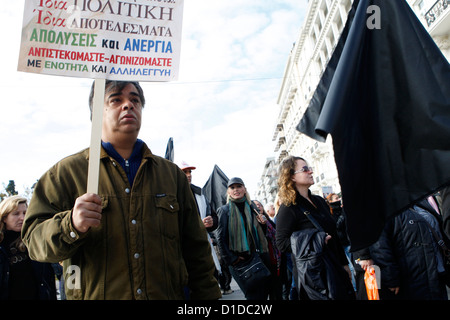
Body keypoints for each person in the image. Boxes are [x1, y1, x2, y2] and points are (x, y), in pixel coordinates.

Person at [21, 80, 221, 300]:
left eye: (135, 99)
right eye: (116, 99)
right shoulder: (66, 174)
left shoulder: (171, 175)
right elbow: (34, 241)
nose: (128, 105)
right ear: (97, 111)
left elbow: (197, 252)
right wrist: (71, 225)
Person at [275, 156, 354, 300]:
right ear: (291, 176)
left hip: (335, 265)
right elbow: (281, 243)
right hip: (315, 274)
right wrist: (315, 241)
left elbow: (334, 235)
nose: (311, 172)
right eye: (305, 169)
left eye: (310, 168)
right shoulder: (288, 207)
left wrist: (345, 264)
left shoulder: (319, 201)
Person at [370, 198, 449, 300]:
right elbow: (380, 247)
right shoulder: (384, 209)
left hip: (435, 274)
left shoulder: (419, 202)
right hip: (411, 279)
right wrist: (391, 278)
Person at [215, 177, 270, 300]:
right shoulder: (224, 211)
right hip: (239, 261)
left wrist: (262, 224)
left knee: (262, 293)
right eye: (232, 187)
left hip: (257, 257)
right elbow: (220, 238)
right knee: (252, 295)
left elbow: (263, 233)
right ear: (228, 192)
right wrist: (232, 259)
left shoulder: (252, 208)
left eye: (239, 186)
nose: (236, 190)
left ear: (244, 189)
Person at [178, 160, 225, 294]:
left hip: (203, 249)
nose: (188, 175)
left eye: (189, 172)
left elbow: (213, 216)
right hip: (184, 252)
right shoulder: (172, 194)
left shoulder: (200, 194)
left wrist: (211, 222)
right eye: (184, 172)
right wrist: (199, 224)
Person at [0, 195, 56, 300]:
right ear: (4, 217)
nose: (22, 217)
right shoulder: (2, 246)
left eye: (25, 213)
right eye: (16, 214)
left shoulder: (35, 241)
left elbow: (48, 279)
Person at [253, 200, 283, 300]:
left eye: (260, 205)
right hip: (264, 258)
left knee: (277, 288)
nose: (258, 207)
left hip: (275, 257)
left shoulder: (269, 221)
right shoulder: (252, 221)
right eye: (256, 205)